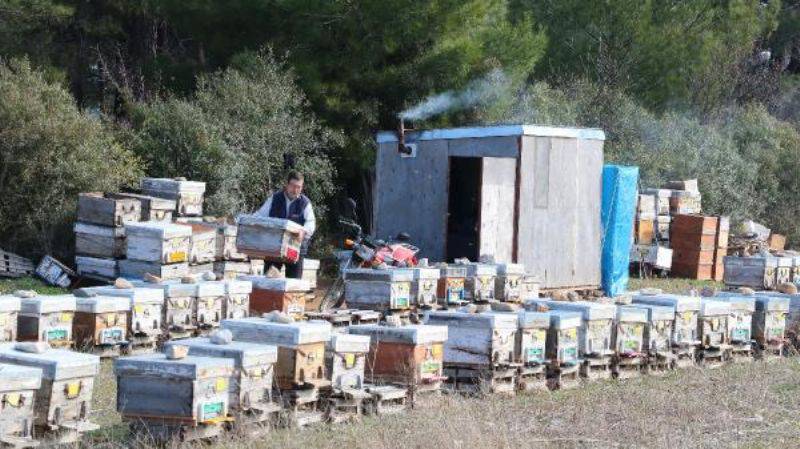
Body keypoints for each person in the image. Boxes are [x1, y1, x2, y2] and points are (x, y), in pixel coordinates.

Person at [255, 170, 316, 278]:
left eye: (299, 187)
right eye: (293, 186)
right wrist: (247, 222)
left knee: (293, 285)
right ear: (287, 184)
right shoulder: (274, 198)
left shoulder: (305, 203)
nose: (295, 190)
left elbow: (311, 223)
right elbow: (260, 215)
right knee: (269, 282)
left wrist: (304, 231)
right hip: (274, 247)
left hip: (295, 248)